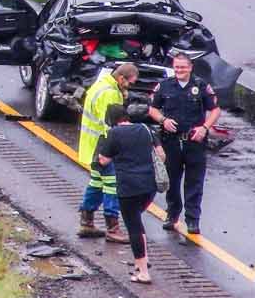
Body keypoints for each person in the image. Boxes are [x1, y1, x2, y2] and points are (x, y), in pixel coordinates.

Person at [149, 53, 220, 235]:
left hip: (194, 142)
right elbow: (152, 109)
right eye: (177, 67)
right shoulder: (164, 86)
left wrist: (204, 127)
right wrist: (163, 120)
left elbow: (215, 110)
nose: (179, 70)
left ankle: (192, 220)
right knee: (172, 181)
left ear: (190, 67)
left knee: (194, 183)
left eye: (183, 67)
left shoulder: (201, 86)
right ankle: (172, 216)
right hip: (171, 141)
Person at [97, 104, 163, 284]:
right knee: (137, 221)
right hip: (149, 186)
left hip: (128, 187)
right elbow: (161, 155)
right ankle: (144, 259)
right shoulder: (145, 128)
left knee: (133, 226)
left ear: (111, 120)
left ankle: (143, 272)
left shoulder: (115, 133)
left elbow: (103, 160)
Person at [76, 63, 137, 243]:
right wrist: (117, 149)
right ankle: (113, 227)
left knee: (96, 183)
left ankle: (86, 222)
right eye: (130, 83)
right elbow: (111, 125)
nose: (131, 87)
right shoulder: (110, 93)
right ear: (121, 78)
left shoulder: (101, 84)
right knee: (112, 185)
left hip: (92, 145)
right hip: (104, 147)